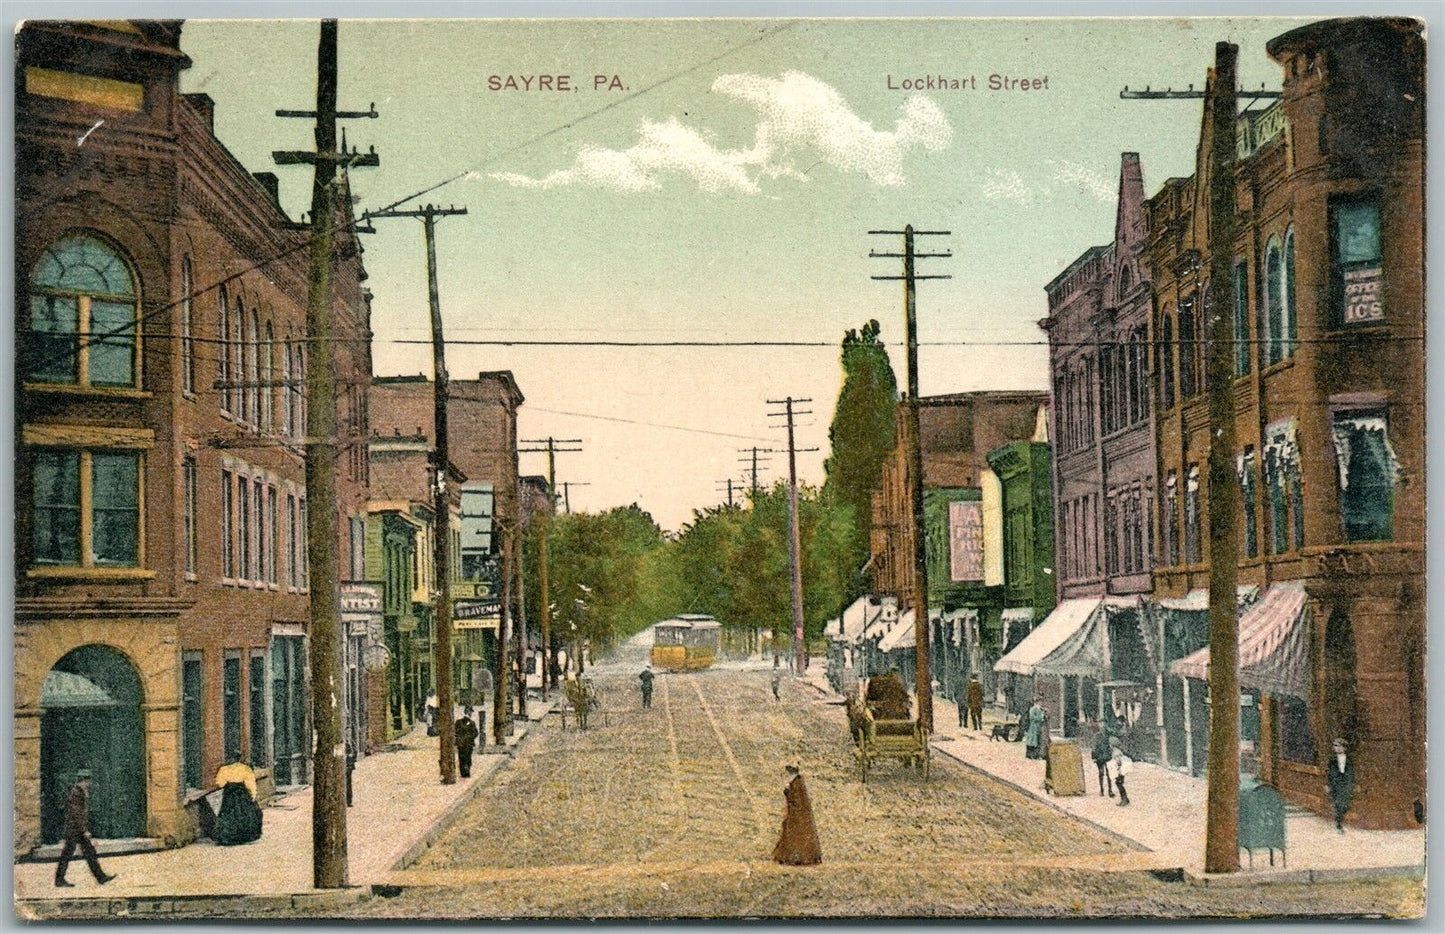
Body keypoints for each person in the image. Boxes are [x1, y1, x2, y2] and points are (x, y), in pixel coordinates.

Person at [54, 773, 115, 887]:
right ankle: (59, 879)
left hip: (77, 829)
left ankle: (101, 877)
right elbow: (77, 814)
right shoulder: (76, 793)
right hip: (74, 830)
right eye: (88, 782)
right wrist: (84, 830)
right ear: (83, 781)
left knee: (89, 852)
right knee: (67, 854)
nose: (89, 784)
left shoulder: (80, 792)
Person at [771, 765, 822, 866]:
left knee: (795, 833)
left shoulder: (796, 783)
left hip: (795, 815)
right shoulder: (796, 783)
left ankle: (797, 856)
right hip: (795, 814)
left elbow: (795, 800)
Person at [213, 762, 263, 846]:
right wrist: (252, 795)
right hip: (242, 794)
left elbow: (220, 783)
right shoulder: (245, 768)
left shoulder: (224, 769)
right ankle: (243, 836)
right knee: (243, 813)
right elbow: (250, 783)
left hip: (229, 794)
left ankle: (229, 837)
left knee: (228, 814)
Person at [1327, 737, 1355, 833]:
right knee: (1338, 803)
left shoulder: (1349, 759)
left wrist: (1351, 783)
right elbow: (1329, 772)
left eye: (1338, 746)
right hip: (1336, 782)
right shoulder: (1332, 759)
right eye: (1335, 746)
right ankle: (1339, 824)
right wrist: (1328, 784)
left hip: (1346, 782)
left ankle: (1339, 817)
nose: (1336, 748)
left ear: (1343, 747)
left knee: (1345, 804)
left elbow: (1351, 772)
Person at [1092, 724, 1115, 798]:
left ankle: (1110, 790)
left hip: (1107, 757)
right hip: (1099, 757)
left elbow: (1111, 746)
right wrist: (1094, 757)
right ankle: (1102, 790)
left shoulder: (1108, 736)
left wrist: (1111, 754)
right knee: (1101, 773)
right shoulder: (1097, 736)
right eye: (1102, 728)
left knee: (1109, 774)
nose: (1103, 729)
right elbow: (1094, 747)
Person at [455, 710, 479, 778]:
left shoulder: (458, 722)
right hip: (467, 743)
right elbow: (475, 733)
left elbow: (455, 732)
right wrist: (470, 737)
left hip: (463, 744)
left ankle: (464, 772)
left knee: (463, 758)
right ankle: (466, 772)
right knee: (467, 758)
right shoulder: (471, 723)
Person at [1024, 696, 1048, 760]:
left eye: (1041, 701)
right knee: (1032, 741)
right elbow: (1032, 718)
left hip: (1039, 727)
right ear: (1036, 702)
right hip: (1033, 727)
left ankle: (1037, 755)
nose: (1041, 703)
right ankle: (1031, 755)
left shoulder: (1041, 709)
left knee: (1038, 741)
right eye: (1040, 701)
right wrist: (1041, 718)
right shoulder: (1033, 709)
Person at [1110, 738, 1132, 807]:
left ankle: (1124, 799)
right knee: (1120, 783)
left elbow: (1118, 762)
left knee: (1119, 784)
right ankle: (1125, 799)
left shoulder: (1115, 752)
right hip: (1121, 770)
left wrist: (1116, 769)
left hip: (1119, 770)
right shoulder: (1118, 751)